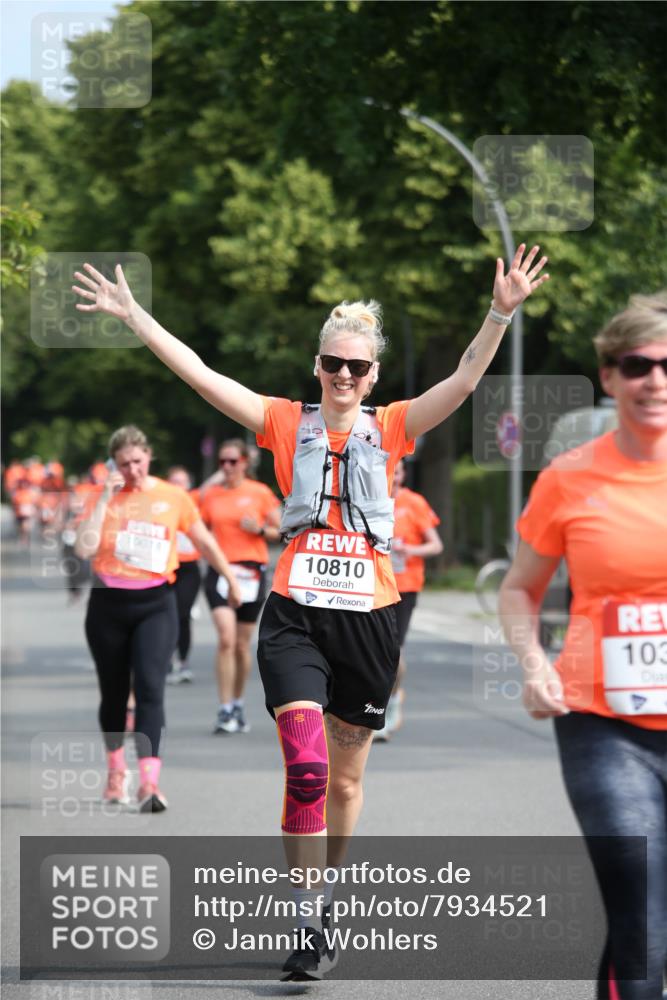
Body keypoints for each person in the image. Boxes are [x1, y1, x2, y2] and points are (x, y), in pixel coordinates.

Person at [73, 243, 548, 975]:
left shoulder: (392, 425)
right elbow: (201, 374)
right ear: (317, 366)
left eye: (358, 366)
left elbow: (462, 380)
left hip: (369, 618)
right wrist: (137, 317)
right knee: (307, 768)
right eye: (333, 363)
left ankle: (325, 898)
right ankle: (305, 918)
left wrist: (498, 314)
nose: (345, 375)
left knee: (347, 780)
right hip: (295, 613)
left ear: (374, 375)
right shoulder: (281, 421)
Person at [499, 292, 667, 1000]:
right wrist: (534, 664)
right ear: (608, 376)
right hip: (603, 724)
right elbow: (518, 590)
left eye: (666, 365)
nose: (654, 380)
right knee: (641, 913)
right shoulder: (569, 477)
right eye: (637, 365)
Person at [75, 425, 242, 813]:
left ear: (149, 456)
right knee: (114, 693)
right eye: (123, 464)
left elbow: (204, 541)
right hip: (108, 605)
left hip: (156, 603)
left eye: (138, 461)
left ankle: (149, 783)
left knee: (151, 688)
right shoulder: (103, 496)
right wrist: (105, 497)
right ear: (113, 465)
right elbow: (84, 549)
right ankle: (116, 770)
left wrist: (230, 579)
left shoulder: (172, 496)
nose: (132, 470)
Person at [198, 439, 282, 734]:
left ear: (245, 462)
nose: (227, 467)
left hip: (251, 572)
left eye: (232, 461)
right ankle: (224, 709)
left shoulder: (259, 492)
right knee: (226, 638)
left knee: (242, 645)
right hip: (220, 570)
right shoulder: (212, 495)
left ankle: (237, 702)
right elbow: (198, 527)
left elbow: (282, 530)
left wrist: (259, 529)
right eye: (222, 461)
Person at [374, 458, 443, 741]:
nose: (394, 477)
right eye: (389, 471)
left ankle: (390, 702)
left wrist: (409, 550)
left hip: (405, 586)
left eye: (398, 472)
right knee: (373, 649)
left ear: (403, 475)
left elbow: (436, 545)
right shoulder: (368, 498)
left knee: (393, 650)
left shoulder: (414, 503)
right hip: (372, 585)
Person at [165, 466, 202, 684]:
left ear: (189, 485)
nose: (177, 486)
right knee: (166, 614)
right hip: (165, 567)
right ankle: (167, 659)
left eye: (181, 481)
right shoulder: (160, 504)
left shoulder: (194, 501)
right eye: (173, 481)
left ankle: (183, 661)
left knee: (183, 614)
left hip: (189, 567)